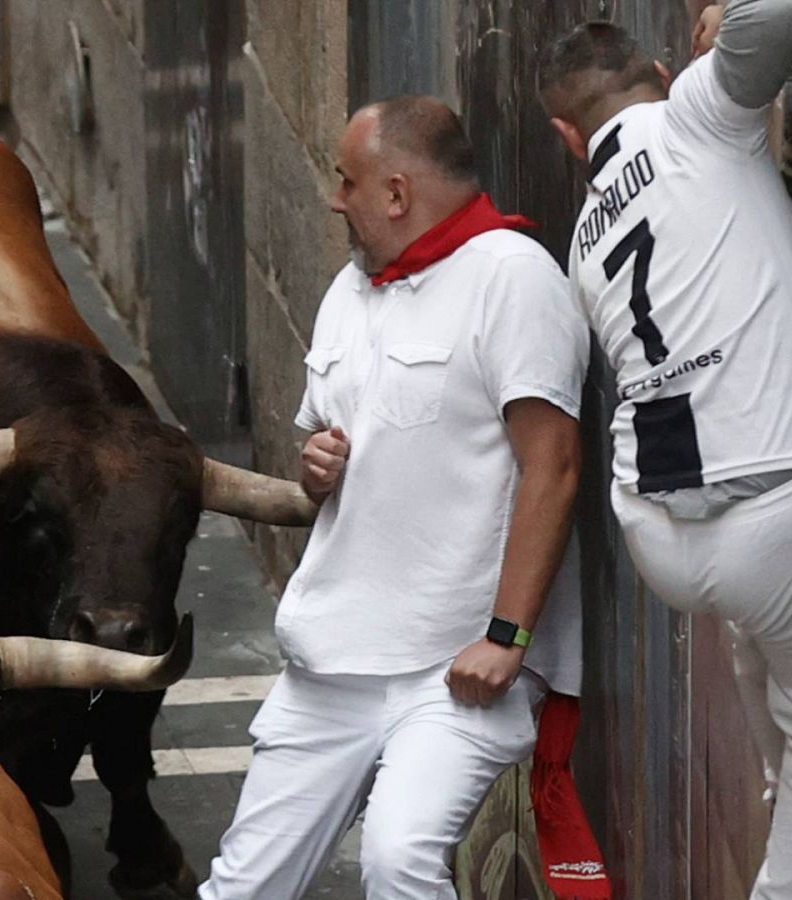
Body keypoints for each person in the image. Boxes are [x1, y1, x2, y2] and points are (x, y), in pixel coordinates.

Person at [197, 95, 589, 899]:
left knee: (398, 861)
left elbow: (552, 465)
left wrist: (506, 637)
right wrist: (317, 465)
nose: (334, 199)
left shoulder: (513, 279)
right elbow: (333, 444)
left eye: (348, 181)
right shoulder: (351, 287)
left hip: (453, 670)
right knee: (242, 889)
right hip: (330, 656)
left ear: (399, 193)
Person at [539, 2, 792, 897]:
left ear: (565, 135)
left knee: (771, 651)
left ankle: (780, 793)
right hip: (771, 507)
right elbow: (779, 11)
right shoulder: (694, 111)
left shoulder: (584, 243)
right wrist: (728, 16)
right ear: (660, 70)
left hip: (663, 529)